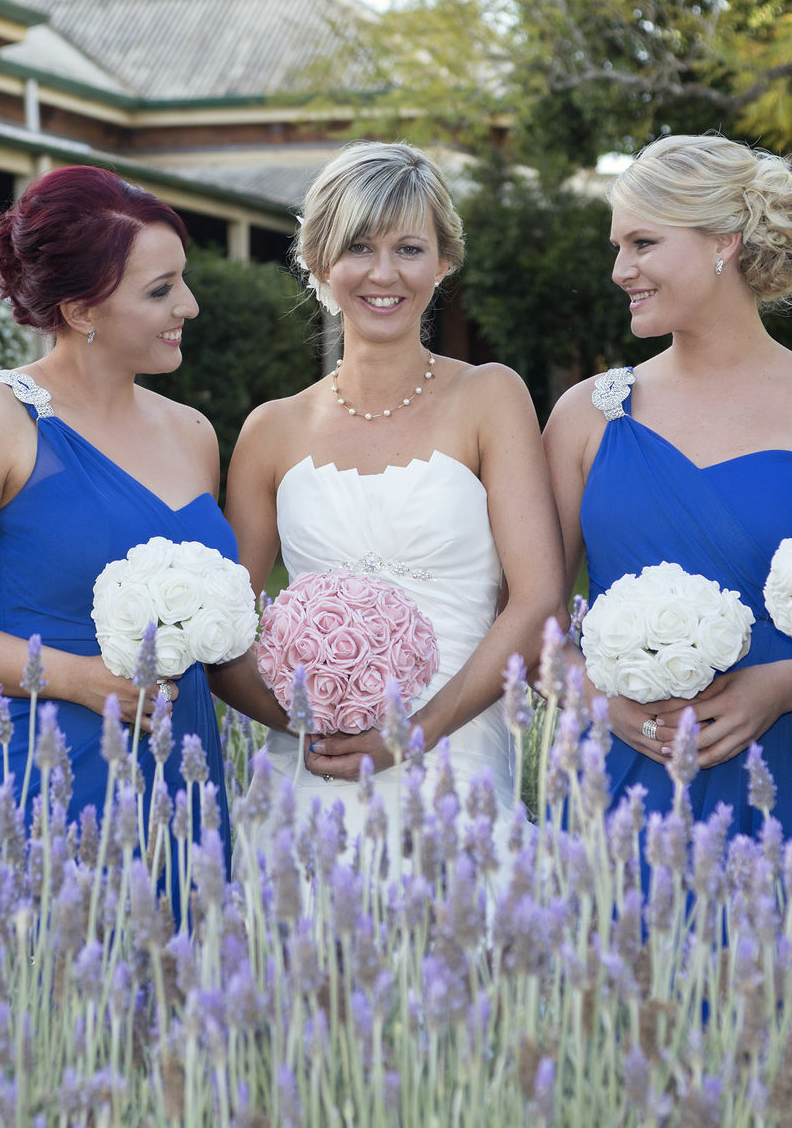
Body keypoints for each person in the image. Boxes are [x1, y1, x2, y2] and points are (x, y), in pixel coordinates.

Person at [0, 165, 286, 851]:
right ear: (80, 310)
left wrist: (329, 707)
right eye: (161, 290)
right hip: (37, 777)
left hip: (175, 781)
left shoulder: (192, 434)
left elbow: (222, 644)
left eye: (183, 279)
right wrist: (80, 680)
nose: (189, 305)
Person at [543, 134, 792, 843]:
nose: (621, 270)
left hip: (789, 774)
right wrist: (601, 702)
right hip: (617, 773)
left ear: (723, 242)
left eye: (643, 243)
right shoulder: (586, 415)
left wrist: (790, 687)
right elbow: (533, 620)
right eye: (618, 247)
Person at [225, 141, 563, 833]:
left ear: (443, 262)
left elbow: (536, 601)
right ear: (319, 262)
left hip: (458, 760)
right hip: (305, 774)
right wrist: (311, 725)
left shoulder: (491, 396)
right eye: (358, 247)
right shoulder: (270, 431)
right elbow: (221, 630)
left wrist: (416, 731)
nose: (384, 273)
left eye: (409, 248)